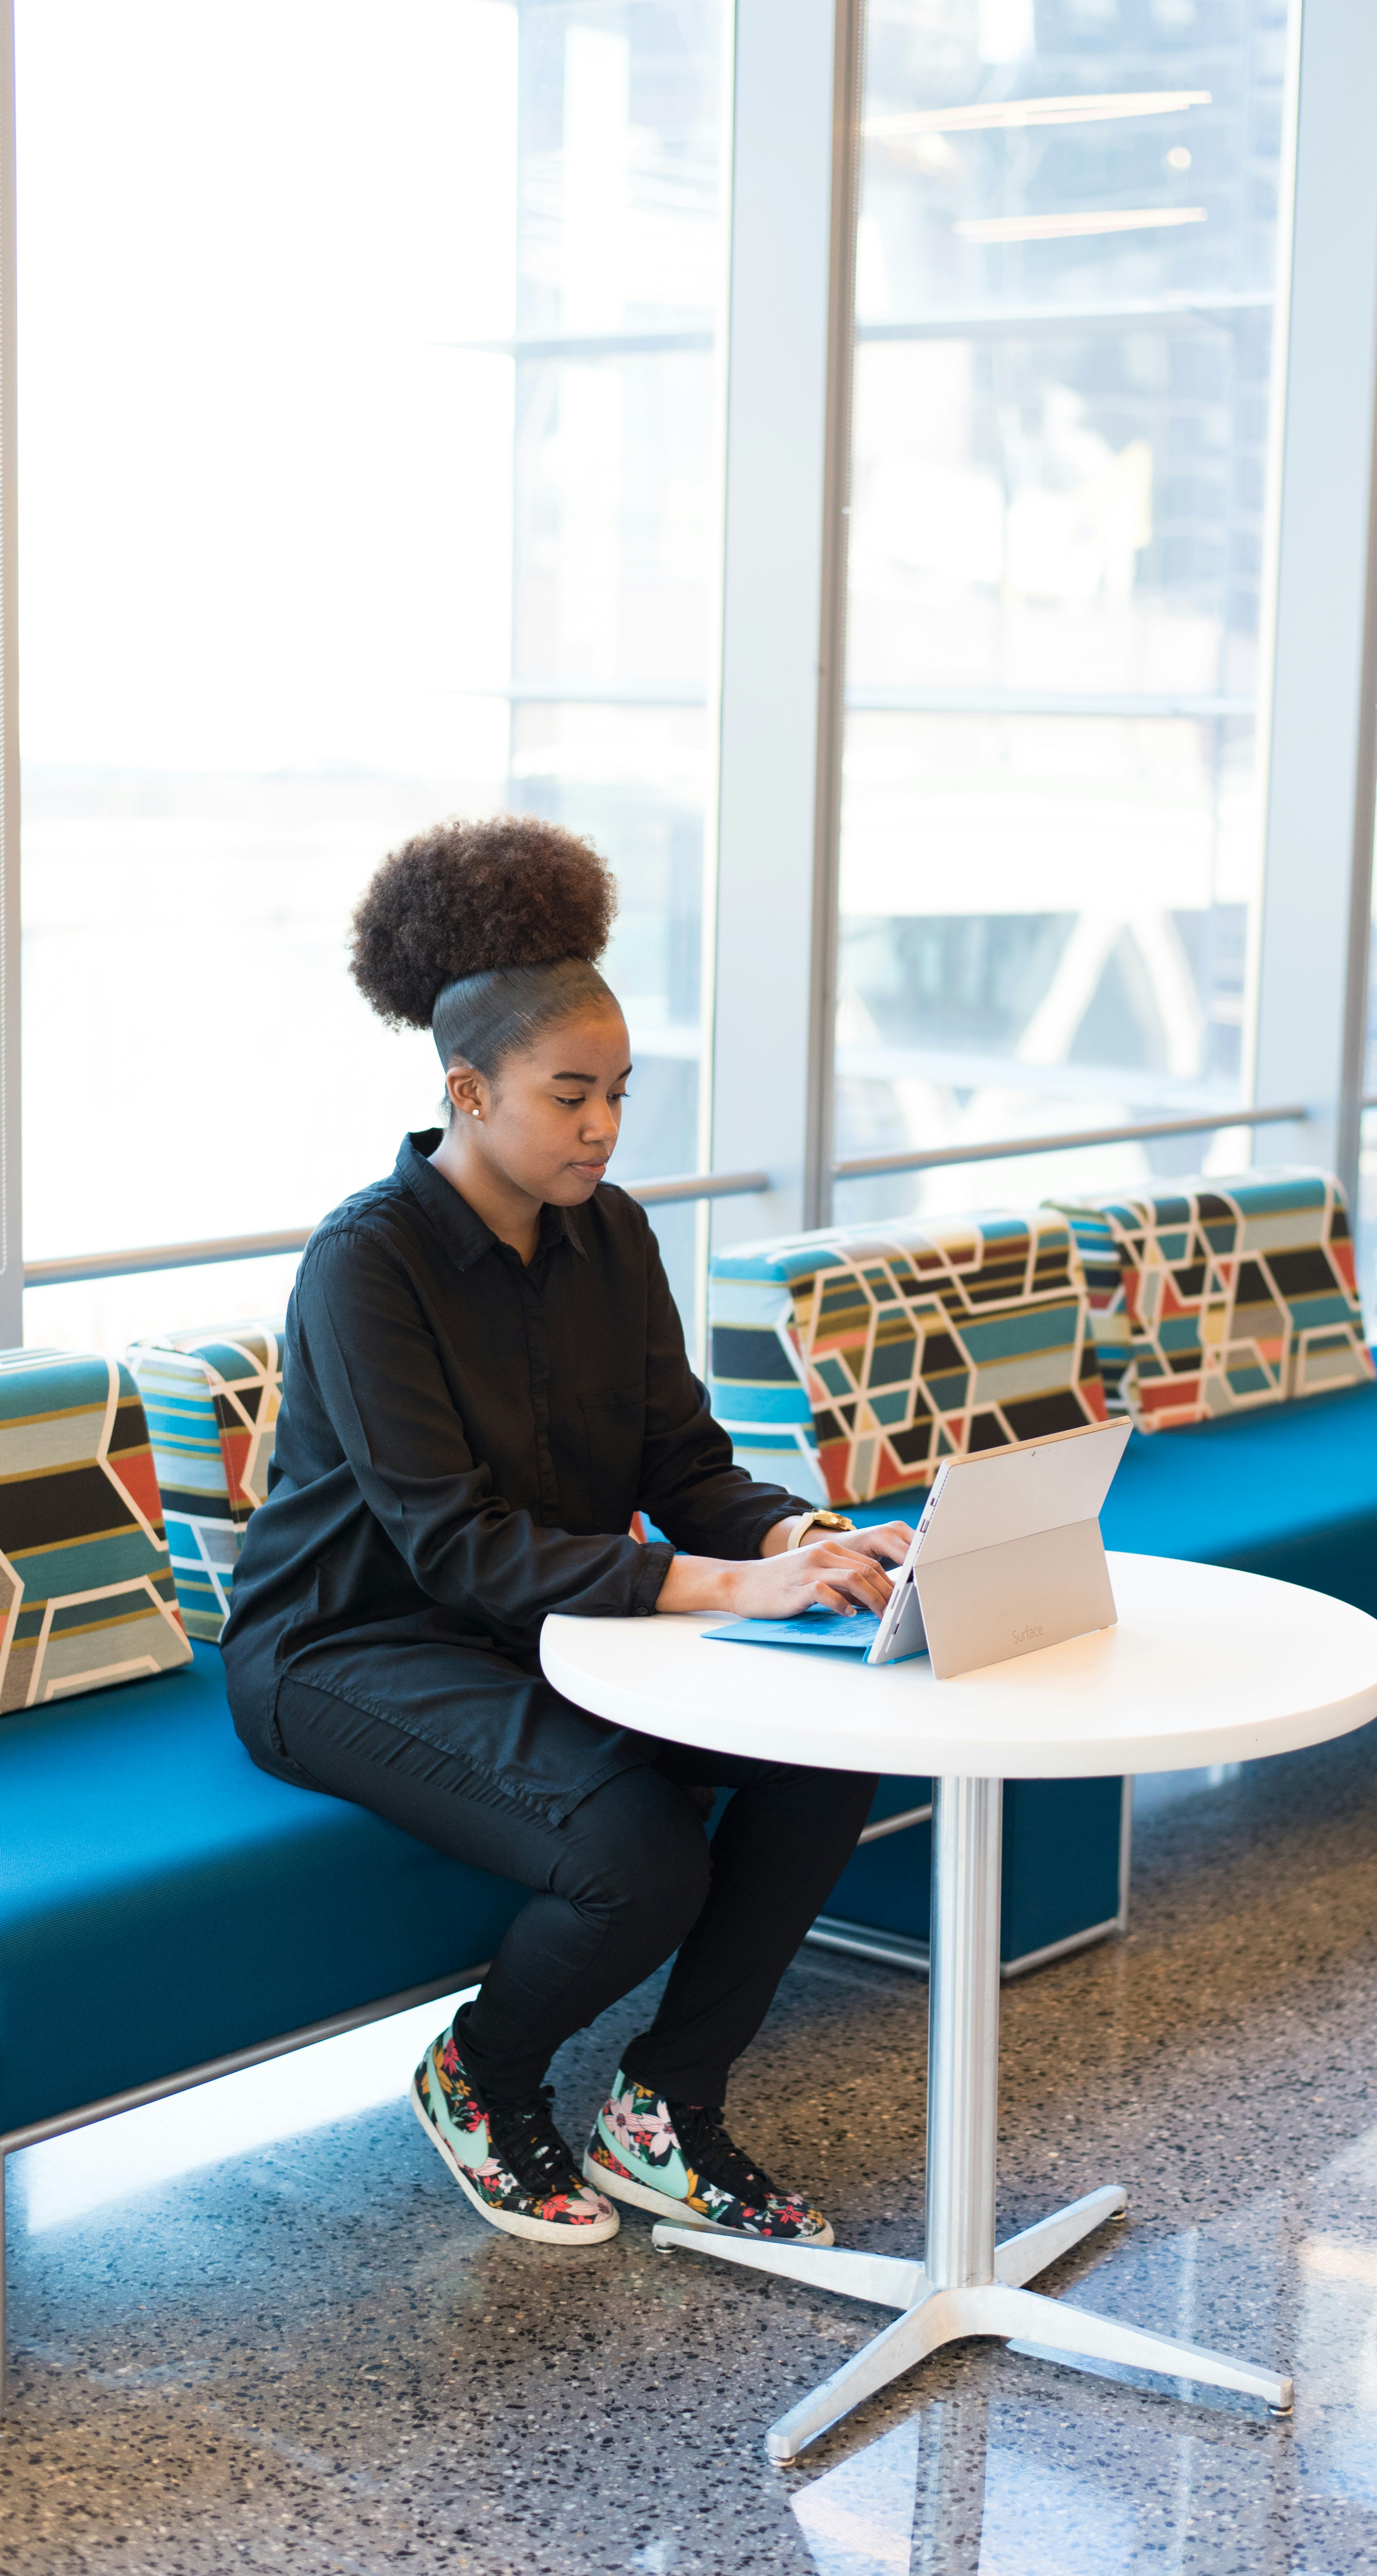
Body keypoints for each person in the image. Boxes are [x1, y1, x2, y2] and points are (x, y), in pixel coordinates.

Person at [222, 815, 912, 2252]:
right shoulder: (368, 1265)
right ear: (469, 1093)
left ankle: (665, 2107)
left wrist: (811, 1537)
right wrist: (736, 1583)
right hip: (348, 1650)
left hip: (550, 1626)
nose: (604, 1127)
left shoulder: (613, 1235)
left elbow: (683, 1460)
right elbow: (454, 1549)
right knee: (638, 1852)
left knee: (829, 1753)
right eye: (570, 1095)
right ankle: (483, 2080)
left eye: (621, 1094)